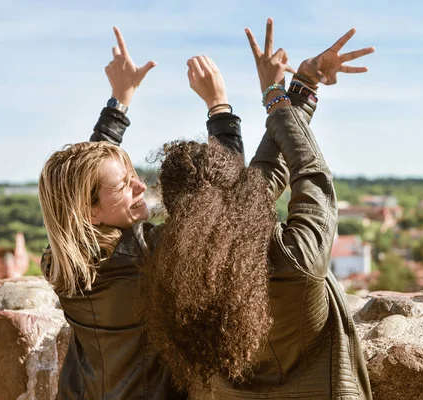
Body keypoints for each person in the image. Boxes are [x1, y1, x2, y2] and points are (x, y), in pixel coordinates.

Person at [142, 19, 375, 399]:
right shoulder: (296, 257)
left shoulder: (171, 262)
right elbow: (311, 172)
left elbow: (259, 181)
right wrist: (274, 94)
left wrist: (300, 90)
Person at [39, 27, 244, 399]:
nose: (139, 186)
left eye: (135, 175)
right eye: (125, 185)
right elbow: (226, 199)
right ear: (91, 212)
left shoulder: (62, 261)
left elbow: (85, 179)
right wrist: (219, 106)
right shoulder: (148, 257)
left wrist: (119, 102)